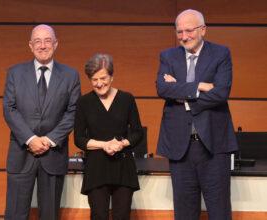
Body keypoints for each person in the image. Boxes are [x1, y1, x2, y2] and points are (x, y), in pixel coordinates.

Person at [156, 9, 238, 220]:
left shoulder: (221, 53)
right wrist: (198, 87)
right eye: (179, 32)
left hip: (213, 146)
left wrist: (182, 95)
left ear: (203, 30)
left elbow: (220, 93)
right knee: (184, 213)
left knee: (219, 211)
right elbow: (163, 89)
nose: (184, 37)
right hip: (180, 148)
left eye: (189, 31)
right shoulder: (168, 56)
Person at [3, 24, 81, 220]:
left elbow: (73, 111)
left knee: (50, 215)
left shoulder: (71, 75)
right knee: (15, 214)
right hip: (21, 153)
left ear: (56, 44)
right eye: (37, 41)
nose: (42, 45)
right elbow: (9, 109)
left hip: (53, 154)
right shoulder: (15, 73)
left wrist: (49, 139)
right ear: (30, 45)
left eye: (47, 40)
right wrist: (30, 139)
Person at [74, 53, 143, 220]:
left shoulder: (127, 99)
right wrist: (103, 145)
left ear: (112, 77)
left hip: (123, 167)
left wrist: (122, 143)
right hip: (96, 169)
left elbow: (137, 132)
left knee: (122, 216)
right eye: (94, 79)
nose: (99, 84)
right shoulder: (84, 102)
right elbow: (79, 139)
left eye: (103, 78)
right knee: (98, 215)